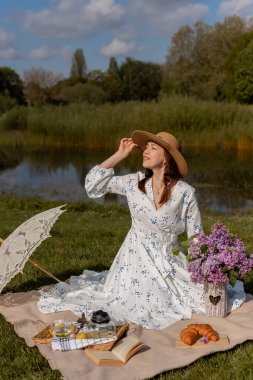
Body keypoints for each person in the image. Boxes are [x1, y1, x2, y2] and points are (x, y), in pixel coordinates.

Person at [38, 130, 246, 329]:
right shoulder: (133, 182)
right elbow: (92, 185)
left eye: (153, 148)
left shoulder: (186, 193)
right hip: (133, 259)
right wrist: (119, 155)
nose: (145, 151)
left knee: (195, 296)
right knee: (133, 302)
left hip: (168, 261)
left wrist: (206, 268)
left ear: (166, 158)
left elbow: (196, 237)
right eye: (145, 147)